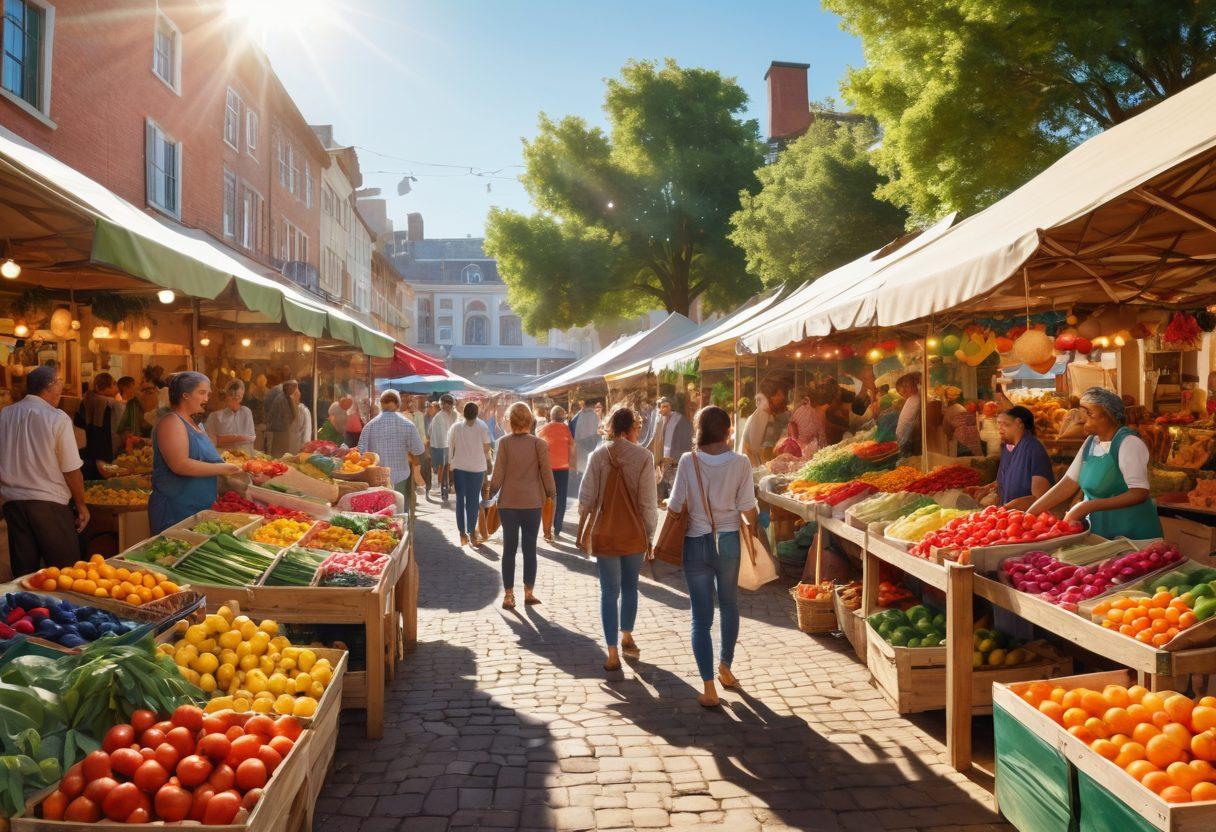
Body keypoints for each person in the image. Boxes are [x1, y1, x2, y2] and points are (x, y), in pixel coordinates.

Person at [668, 406, 758, 708]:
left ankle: (708, 688)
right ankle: (726, 667)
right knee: (730, 604)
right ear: (728, 430)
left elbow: (676, 505)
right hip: (729, 541)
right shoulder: (741, 463)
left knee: (700, 618)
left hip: (696, 542)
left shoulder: (687, 460)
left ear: (700, 430)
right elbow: (748, 508)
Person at [578, 406, 658, 671]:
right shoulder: (644, 456)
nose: (638, 432)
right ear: (630, 429)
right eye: (637, 428)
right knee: (630, 586)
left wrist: (584, 523)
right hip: (634, 533)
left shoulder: (598, 455)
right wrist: (650, 534)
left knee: (608, 591)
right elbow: (648, 502)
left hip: (604, 531)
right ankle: (627, 636)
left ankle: (611, 653)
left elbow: (585, 498)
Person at [1029, 387, 1162, 540]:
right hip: (1101, 533)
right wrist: (1030, 514)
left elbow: (1139, 493)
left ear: (1108, 416)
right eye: (1081, 412)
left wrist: (1087, 506)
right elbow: (1068, 483)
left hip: (1134, 537)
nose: (1080, 419)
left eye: (1088, 413)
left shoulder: (1129, 443)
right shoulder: (1091, 442)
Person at [0, 366, 89, 574]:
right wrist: (81, 505)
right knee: (65, 571)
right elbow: (71, 470)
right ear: (51, 386)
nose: (61, 388)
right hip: (49, 504)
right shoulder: (57, 418)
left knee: (25, 574)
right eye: (60, 382)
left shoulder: (5, 414)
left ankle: (26, 607)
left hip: (14, 503)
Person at [149, 373, 242, 534]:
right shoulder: (172, 422)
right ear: (185, 395)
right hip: (176, 508)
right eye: (202, 393)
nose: (206, 398)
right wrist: (225, 469)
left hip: (199, 507)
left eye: (208, 394)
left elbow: (206, 459)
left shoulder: (197, 424)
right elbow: (180, 465)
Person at [488, 402, 556, 610]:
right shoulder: (539, 444)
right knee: (529, 549)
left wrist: (491, 492)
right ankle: (528, 592)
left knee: (509, 549)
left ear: (511, 421)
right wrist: (552, 495)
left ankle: (509, 595)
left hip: (508, 502)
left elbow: (498, 473)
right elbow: (546, 473)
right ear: (529, 421)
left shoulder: (504, 443)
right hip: (532, 503)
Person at [358, 390, 425, 498]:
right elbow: (419, 449)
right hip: (401, 478)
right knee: (400, 511)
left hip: (377, 480)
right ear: (398, 405)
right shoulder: (408, 425)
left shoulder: (369, 426)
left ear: (381, 404)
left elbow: (361, 452)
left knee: (382, 513)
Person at [447, 401, 493, 546]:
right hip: (477, 469)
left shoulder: (456, 427)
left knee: (460, 500)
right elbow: (486, 448)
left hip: (459, 467)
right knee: (473, 501)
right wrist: (484, 458)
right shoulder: (482, 426)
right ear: (477, 413)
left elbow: (450, 448)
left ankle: (462, 533)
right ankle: (472, 532)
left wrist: (450, 466)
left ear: (464, 413)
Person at [992, 406, 1054, 510]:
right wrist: (986, 489)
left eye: (1004, 424)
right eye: (999, 424)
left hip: (1027, 520)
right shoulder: (1007, 448)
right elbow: (1006, 480)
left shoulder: (1034, 449)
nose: (1000, 428)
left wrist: (1009, 507)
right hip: (1009, 517)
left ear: (1018, 423)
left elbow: (1041, 498)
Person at [538, 406, 576, 540]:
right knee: (561, 498)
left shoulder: (545, 428)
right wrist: (573, 465)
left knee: (548, 497)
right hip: (563, 468)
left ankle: (547, 529)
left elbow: (538, 444)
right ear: (562, 417)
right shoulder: (565, 428)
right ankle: (557, 527)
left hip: (548, 468)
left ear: (551, 416)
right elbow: (572, 446)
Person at [75, 372, 122, 479]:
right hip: (105, 451)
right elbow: (117, 429)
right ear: (109, 386)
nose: (116, 388)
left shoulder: (85, 400)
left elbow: (77, 423)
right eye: (114, 384)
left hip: (87, 451)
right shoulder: (111, 404)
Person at [649, 397, 692, 501]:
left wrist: (675, 457)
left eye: (665, 407)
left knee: (675, 485)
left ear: (671, 407)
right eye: (661, 407)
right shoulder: (659, 421)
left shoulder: (680, 420)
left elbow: (685, 441)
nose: (663, 409)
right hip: (662, 459)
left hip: (675, 460)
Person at [740, 379, 788, 465]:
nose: (782, 397)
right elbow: (755, 448)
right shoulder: (762, 414)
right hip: (753, 466)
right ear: (770, 397)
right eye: (778, 394)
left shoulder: (767, 414)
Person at [204, 379, 256, 455]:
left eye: (238, 397)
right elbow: (211, 441)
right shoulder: (215, 416)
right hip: (221, 455)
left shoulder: (246, 412)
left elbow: (252, 438)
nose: (235, 400)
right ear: (227, 396)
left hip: (244, 455)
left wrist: (230, 439)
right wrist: (240, 438)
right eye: (232, 396)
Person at [428, 394, 458, 500]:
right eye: (446, 404)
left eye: (450, 404)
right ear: (442, 405)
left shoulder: (454, 415)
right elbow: (436, 433)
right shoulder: (439, 417)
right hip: (441, 446)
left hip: (449, 445)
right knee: (444, 469)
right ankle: (444, 491)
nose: (448, 406)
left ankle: (446, 489)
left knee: (447, 469)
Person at [117, 380, 159, 450]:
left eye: (152, 389)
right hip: (137, 447)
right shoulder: (133, 404)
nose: (149, 392)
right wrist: (128, 436)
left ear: (156, 390)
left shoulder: (163, 403)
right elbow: (124, 428)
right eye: (145, 390)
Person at [788, 388, 828, 457]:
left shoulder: (798, 411)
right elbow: (822, 438)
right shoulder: (815, 413)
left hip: (797, 448)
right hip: (807, 450)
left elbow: (791, 429)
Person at [263, 379, 298, 457]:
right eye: (293, 389)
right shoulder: (281, 398)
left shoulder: (285, 395)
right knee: (277, 454)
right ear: (287, 387)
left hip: (280, 429)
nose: (293, 392)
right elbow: (282, 416)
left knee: (280, 453)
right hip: (278, 430)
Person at [942, 391, 983, 457]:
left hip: (961, 445)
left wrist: (950, 437)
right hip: (969, 446)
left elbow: (946, 429)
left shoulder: (951, 411)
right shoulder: (963, 410)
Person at [894, 373, 922, 454]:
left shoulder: (915, 399)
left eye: (906, 386)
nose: (904, 391)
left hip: (905, 439)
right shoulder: (913, 398)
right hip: (904, 437)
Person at [290, 385, 311, 453]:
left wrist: (304, 448)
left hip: (299, 449)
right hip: (287, 448)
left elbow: (307, 431)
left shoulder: (303, 410)